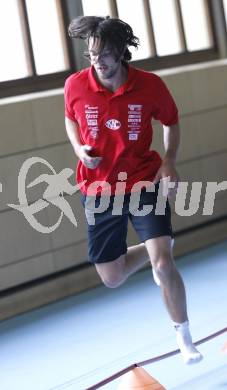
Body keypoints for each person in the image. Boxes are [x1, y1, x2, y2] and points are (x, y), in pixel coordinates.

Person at [64, 15, 202, 364]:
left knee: (164, 266)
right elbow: (69, 118)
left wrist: (169, 161)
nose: (99, 62)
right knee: (111, 277)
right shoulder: (76, 85)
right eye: (93, 55)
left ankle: (184, 339)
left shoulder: (151, 86)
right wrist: (80, 149)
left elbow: (171, 121)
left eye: (106, 54)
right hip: (98, 189)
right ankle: (158, 246)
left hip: (144, 180)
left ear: (122, 52)